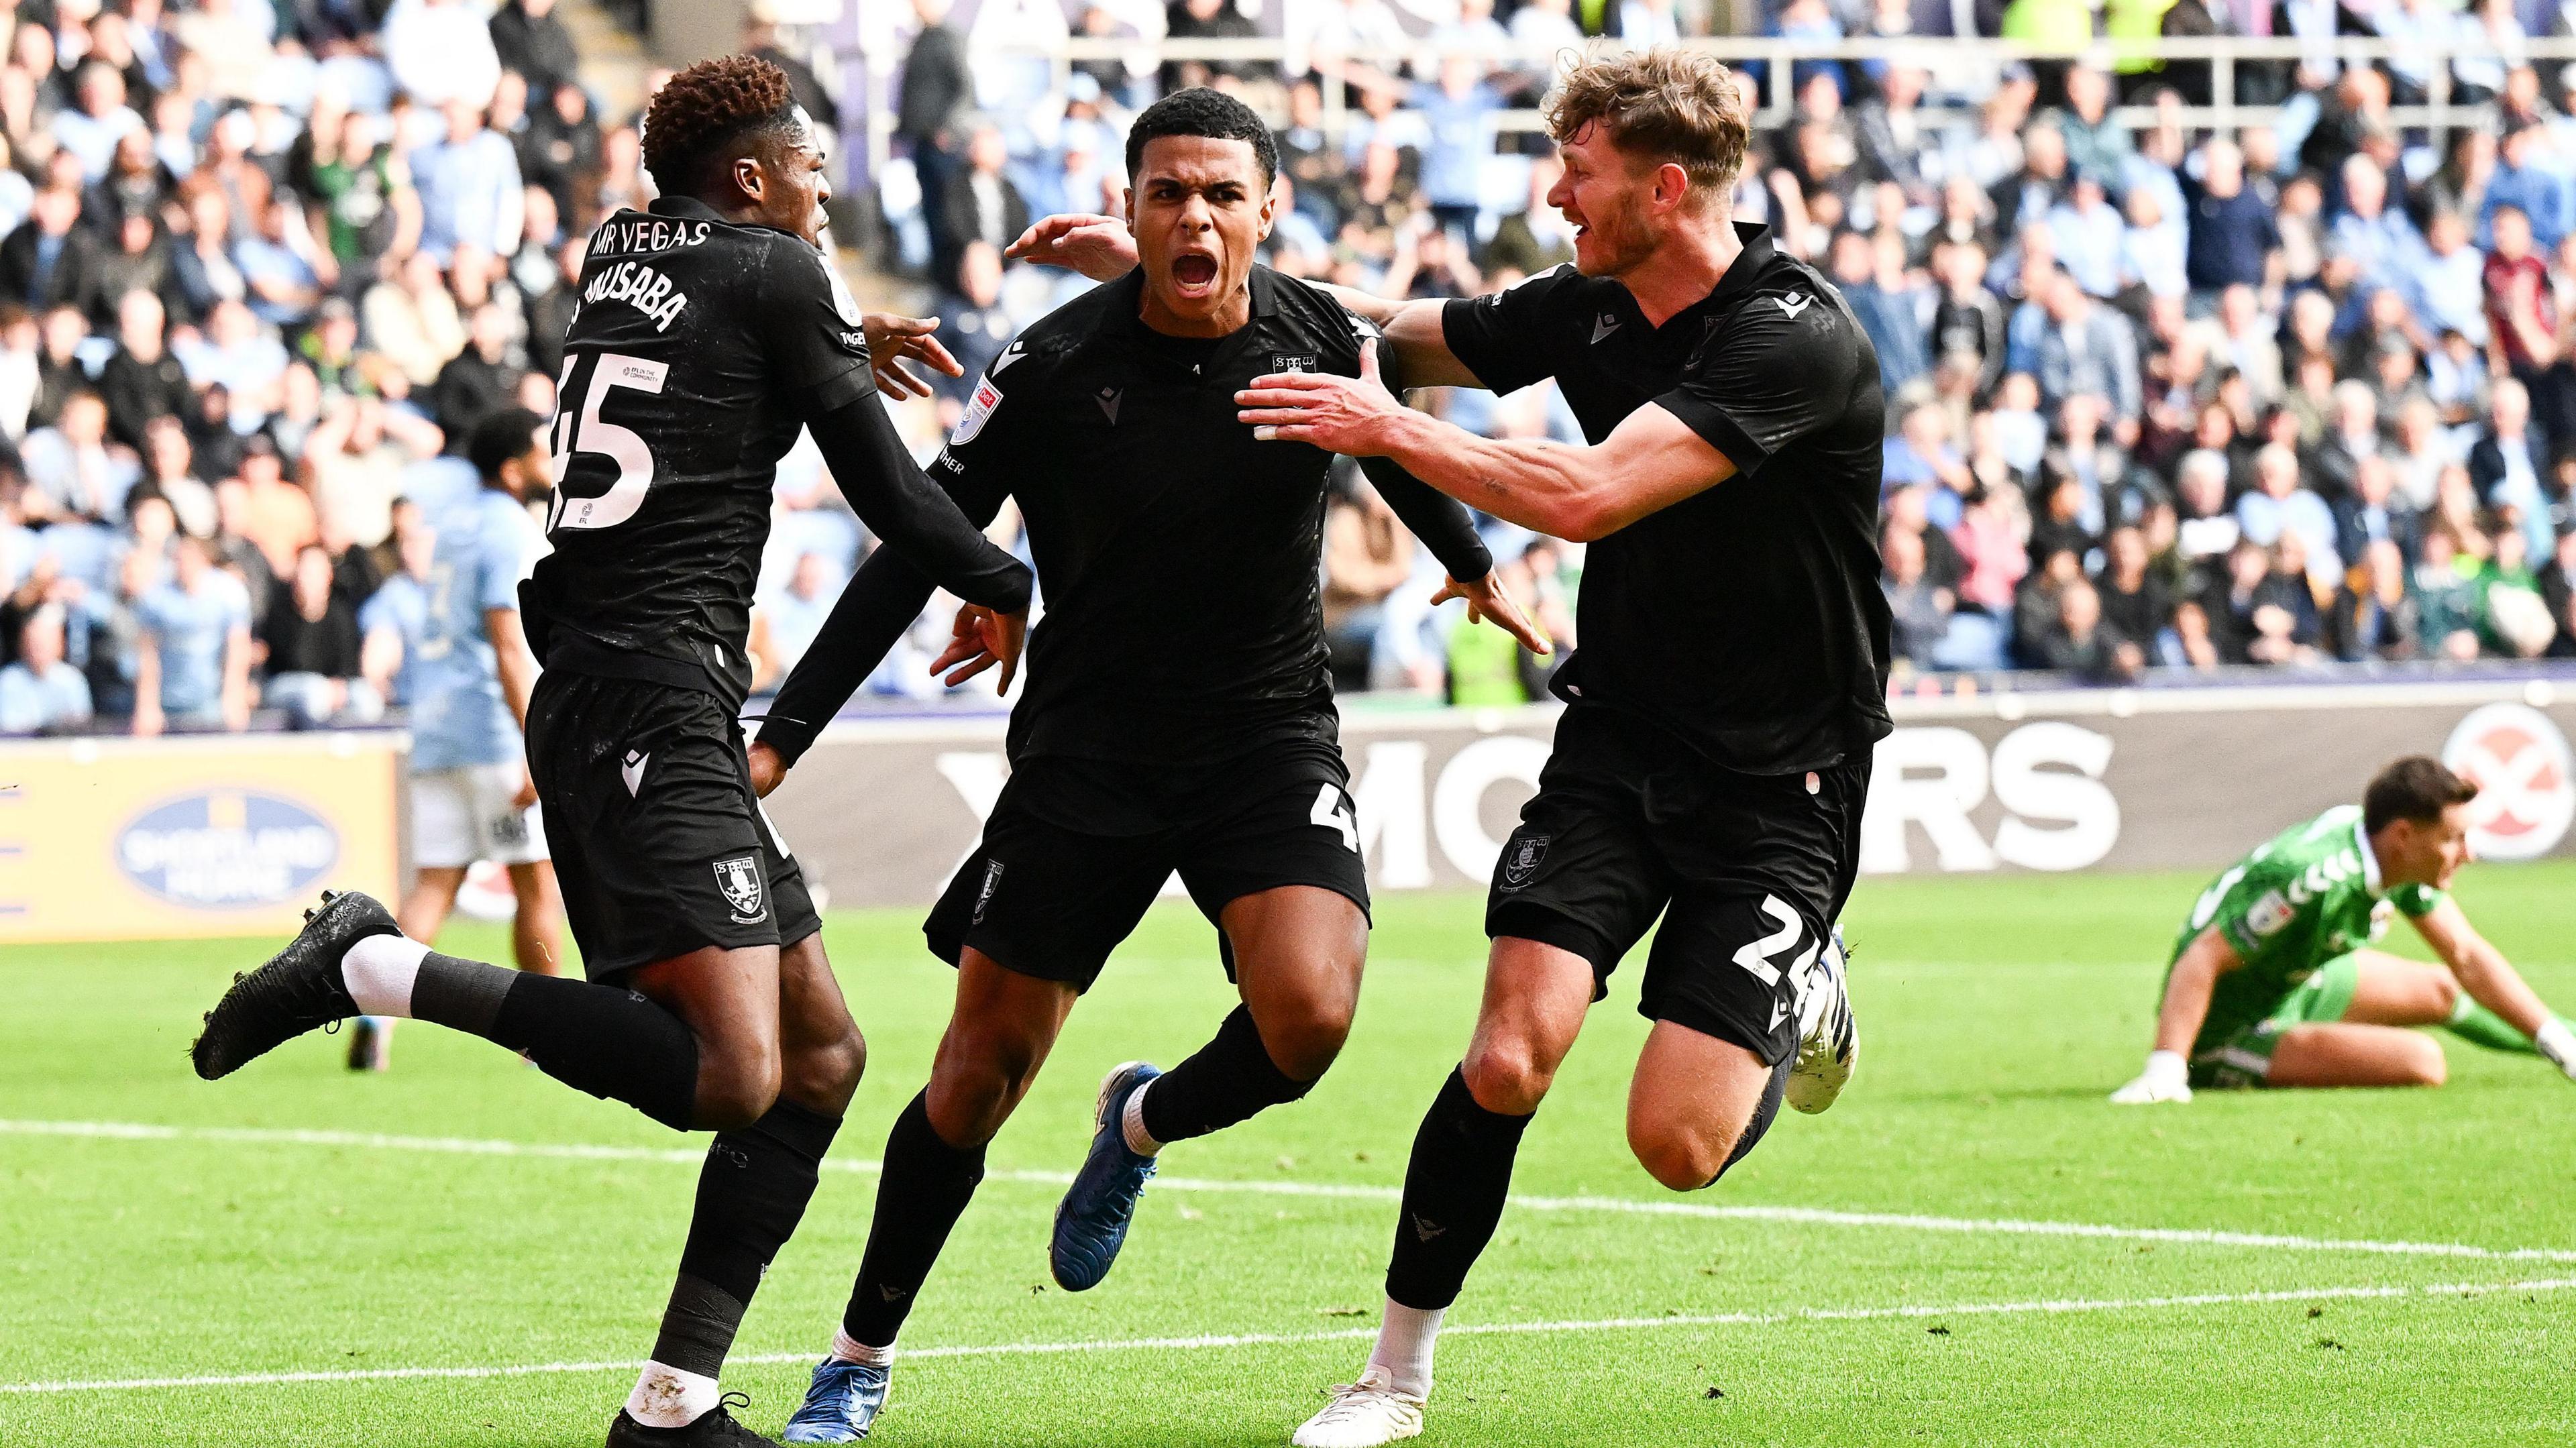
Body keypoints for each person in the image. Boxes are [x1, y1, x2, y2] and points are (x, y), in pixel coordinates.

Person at [1010, 48, 1882, 1447]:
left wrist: (1385, 426)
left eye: (1578, 175)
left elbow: (1590, 494)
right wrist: (1198, 272)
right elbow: (1375, 332)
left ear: (1664, 189)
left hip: (1785, 782)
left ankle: (1805, 990)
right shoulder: (1593, 303)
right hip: (1619, 738)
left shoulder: (1793, 337)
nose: (1553, 196)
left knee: (1678, 1143)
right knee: (1506, 1057)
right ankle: (1393, 1375)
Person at [188, 56, 1034, 1448]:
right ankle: (369, 963)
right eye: (808, 162)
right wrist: (1010, 579)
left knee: (823, 1056)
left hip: (627, 686)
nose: (826, 184)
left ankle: (673, 1400)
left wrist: (827, 333)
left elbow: (716, 341)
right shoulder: (772, 276)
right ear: (751, 178)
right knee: (731, 1074)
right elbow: (892, 492)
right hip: (645, 692)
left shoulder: (621, 246)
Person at [748, 87, 1540, 1445]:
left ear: (1267, 210)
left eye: (1223, 193)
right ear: (1130, 207)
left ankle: (1144, 1118)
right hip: (1088, 753)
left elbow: (1382, 440)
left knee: (1309, 1021)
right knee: (978, 1070)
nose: (1196, 216)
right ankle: (856, 1355)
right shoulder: (1051, 366)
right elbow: (914, 540)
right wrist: (779, 736)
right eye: (1169, 191)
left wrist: (1467, 558)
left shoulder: (1318, 334)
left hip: (1265, 738)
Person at [2114, 757, 2576, 1101]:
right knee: (2424, 1060)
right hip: (2231, 1025)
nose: (2468, 854)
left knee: (2442, 988)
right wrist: (2166, 1069)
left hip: (2294, 981)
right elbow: (2202, 955)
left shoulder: (2392, 858)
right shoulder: (2313, 877)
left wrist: (2559, 1042)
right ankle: (2203, 1063)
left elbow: (2467, 956)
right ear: (2403, 836)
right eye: (2453, 839)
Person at [345, 408, 566, 1075]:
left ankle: (375, 1017)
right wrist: (536, 744)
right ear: (512, 467)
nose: (550, 459)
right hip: (492, 731)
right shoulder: (509, 530)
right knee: (536, 884)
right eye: (540, 449)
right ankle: (549, 1033)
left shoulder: (454, 528)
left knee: (433, 885)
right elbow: (508, 645)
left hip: (436, 727)